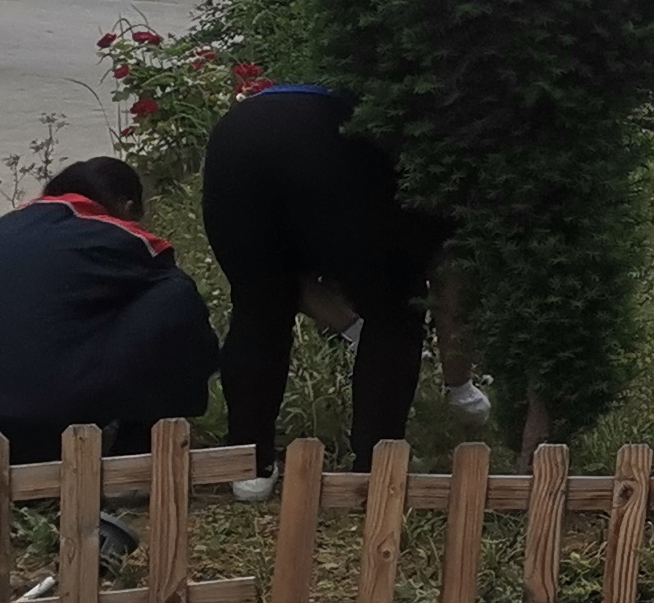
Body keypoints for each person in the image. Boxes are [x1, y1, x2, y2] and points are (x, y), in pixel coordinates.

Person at [201, 81, 477, 486]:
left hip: (236, 138)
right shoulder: (432, 179)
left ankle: (249, 469)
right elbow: (449, 285)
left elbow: (287, 280)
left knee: (258, 308)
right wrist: (460, 387)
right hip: (330, 150)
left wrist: (351, 327)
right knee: (394, 314)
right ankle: (374, 470)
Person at [0, 159, 220, 476]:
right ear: (126, 207)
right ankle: (140, 443)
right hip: (37, 430)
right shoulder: (120, 235)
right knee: (175, 293)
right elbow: (167, 280)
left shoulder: (7, 230)